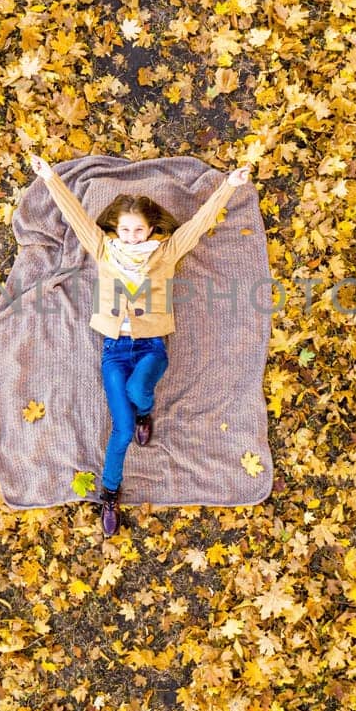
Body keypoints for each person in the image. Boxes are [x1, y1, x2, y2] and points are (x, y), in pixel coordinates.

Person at [28, 154, 251, 536]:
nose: (132, 237)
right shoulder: (103, 249)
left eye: (139, 231)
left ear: (151, 230)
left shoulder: (166, 253)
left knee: (138, 389)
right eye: (126, 230)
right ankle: (109, 493)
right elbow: (76, 216)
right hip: (115, 348)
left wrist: (230, 185)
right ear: (116, 228)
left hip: (150, 346)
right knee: (122, 429)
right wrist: (49, 177)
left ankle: (146, 410)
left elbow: (199, 223)